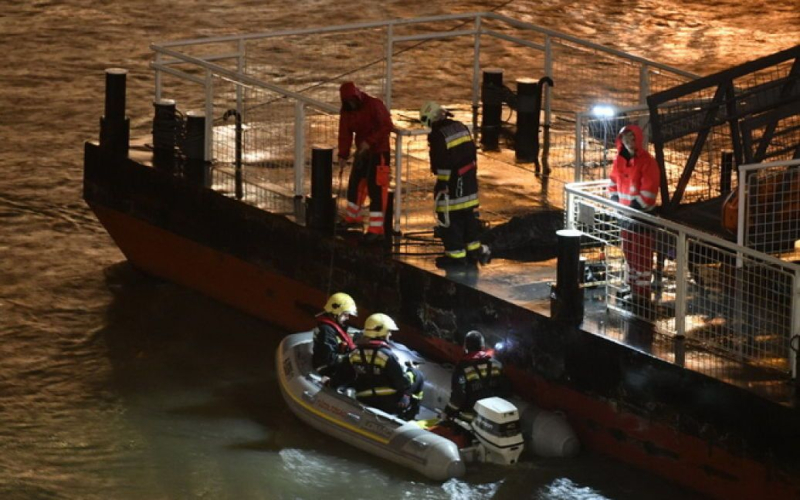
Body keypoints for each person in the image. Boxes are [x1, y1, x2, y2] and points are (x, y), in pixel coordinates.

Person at [419, 101, 491, 269]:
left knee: (449, 218)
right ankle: (472, 250)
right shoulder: (460, 126)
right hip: (468, 179)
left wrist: (443, 184)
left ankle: (455, 255)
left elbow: (442, 162)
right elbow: (471, 153)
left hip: (453, 183)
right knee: (468, 216)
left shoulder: (438, 135)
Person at [607, 124, 660, 308]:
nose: (628, 142)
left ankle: (642, 294)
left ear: (638, 140)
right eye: (625, 138)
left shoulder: (647, 162)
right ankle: (632, 288)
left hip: (641, 216)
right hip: (626, 215)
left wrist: (634, 207)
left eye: (632, 138)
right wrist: (615, 200)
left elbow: (649, 190)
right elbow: (614, 182)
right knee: (629, 253)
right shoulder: (620, 160)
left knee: (642, 256)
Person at [336, 313, 424, 420]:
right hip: (388, 403)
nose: (390, 335)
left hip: (363, 398)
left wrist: (329, 383)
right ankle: (410, 413)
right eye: (389, 331)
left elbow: (342, 376)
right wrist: (412, 371)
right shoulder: (386, 356)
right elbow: (402, 383)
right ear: (381, 332)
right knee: (418, 376)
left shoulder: (354, 354)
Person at [337, 82, 394, 242]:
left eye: (352, 101)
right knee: (355, 184)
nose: (350, 105)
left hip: (379, 151)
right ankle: (352, 218)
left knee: (376, 190)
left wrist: (369, 141)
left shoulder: (374, 105)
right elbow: (345, 133)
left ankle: (376, 229)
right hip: (363, 151)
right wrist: (343, 154)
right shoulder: (347, 111)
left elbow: (386, 126)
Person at [443, 330, 510, 422]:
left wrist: (447, 413)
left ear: (465, 347)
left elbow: (458, 397)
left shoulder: (462, 368)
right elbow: (505, 389)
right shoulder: (497, 365)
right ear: (483, 346)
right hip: (493, 418)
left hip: (470, 418)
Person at [312, 292, 358, 378]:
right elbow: (328, 359)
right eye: (345, 314)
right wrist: (351, 358)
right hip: (326, 368)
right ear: (335, 313)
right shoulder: (326, 330)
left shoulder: (332, 328)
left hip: (332, 362)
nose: (347, 318)